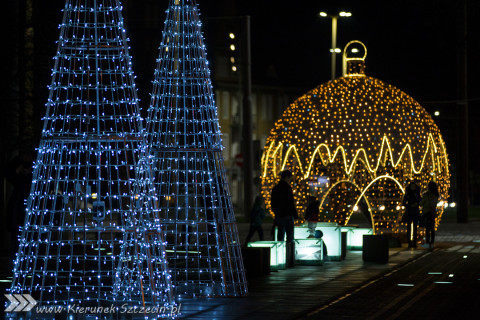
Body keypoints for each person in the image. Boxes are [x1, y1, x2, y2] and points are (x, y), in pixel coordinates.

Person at [271, 170, 298, 242]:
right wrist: (295, 215)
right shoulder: (288, 188)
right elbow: (290, 202)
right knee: (290, 236)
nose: (290, 181)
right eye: (290, 179)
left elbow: (273, 203)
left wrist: (276, 212)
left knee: (280, 236)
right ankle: (289, 252)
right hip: (288, 215)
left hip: (279, 215)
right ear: (286, 177)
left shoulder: (275, 188)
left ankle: (280, 251)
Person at [420, 181, 439, 250]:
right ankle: (432, 242)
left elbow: (421, 203)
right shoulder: (436, 195)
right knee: (432, 228)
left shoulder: (426, 195)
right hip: (432, 213)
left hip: (426, 213)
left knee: (427, 229)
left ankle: (427, 242)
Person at [402, 181, 421, 248]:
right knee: (409, 228)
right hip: (409, 212)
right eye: (412, 186)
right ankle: (410, 242)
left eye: (414, 186)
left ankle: (414, 242)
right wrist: (410, 205)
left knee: (415, 228)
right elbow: (403, 203)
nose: (413, 188)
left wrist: (417, 204)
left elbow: (420, 201)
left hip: (415, 212)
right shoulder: (407, 194)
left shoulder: (417, 194)